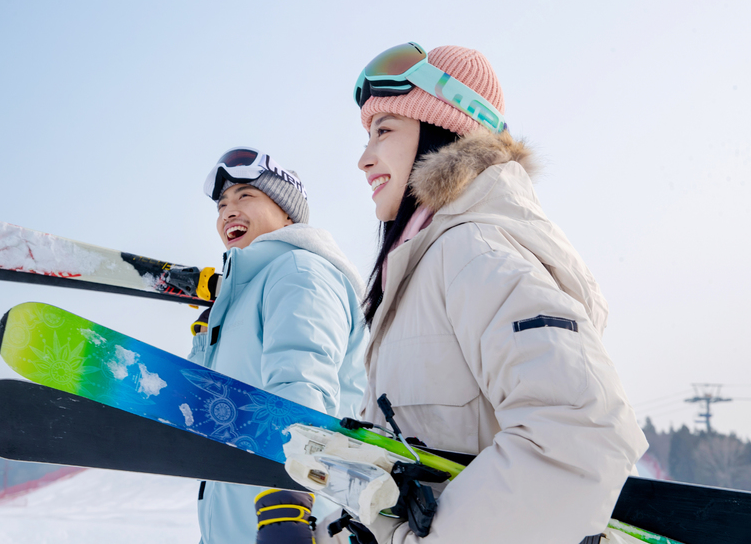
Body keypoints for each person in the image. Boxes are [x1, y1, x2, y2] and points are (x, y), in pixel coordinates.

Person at [332, 43, 648, 543]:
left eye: (384, 131)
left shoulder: (472, 251)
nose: (363, 158)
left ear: (442, 130)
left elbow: (579, 432)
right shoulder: (423, 267)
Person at [188, 147, 369, 544]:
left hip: (297, 521)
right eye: (222, 205)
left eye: (245, 196)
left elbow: (302, 384)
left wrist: (286, 506)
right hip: (240, 527)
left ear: (287, 213)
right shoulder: (245, 297)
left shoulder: (300, 271)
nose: (229, 212)